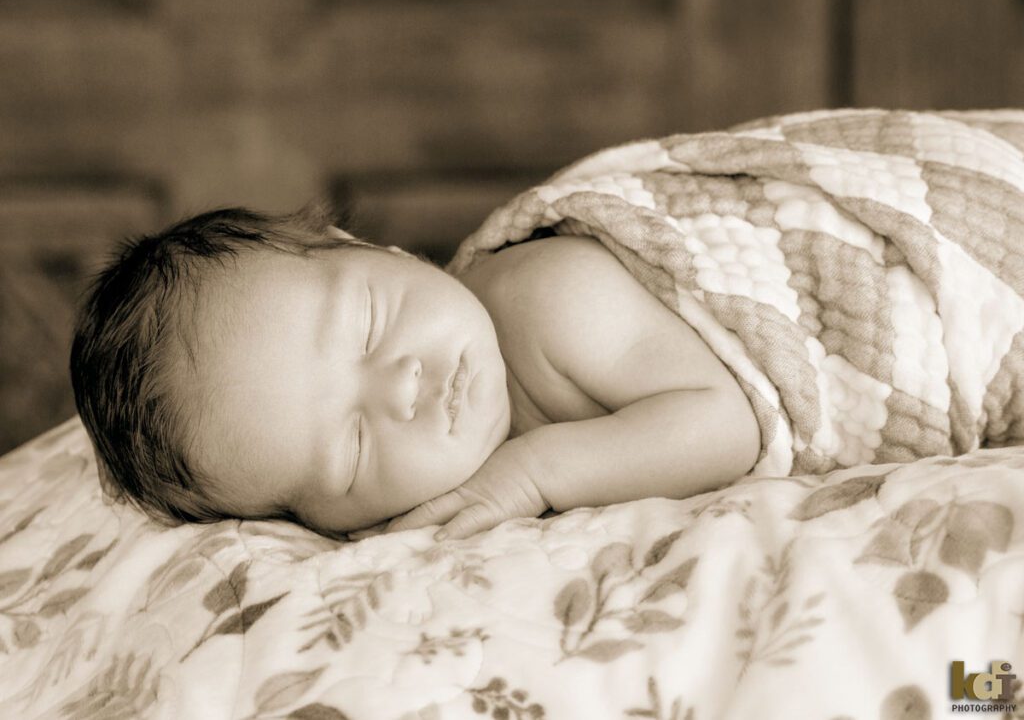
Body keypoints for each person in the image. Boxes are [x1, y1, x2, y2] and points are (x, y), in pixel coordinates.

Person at [70, 204, 760, 541]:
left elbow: (725, 422)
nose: (401, 386)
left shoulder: (551, 296)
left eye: (369, 322)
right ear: (335, 521)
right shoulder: (406, 512)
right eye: (352, 452)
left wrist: (535, 471)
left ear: (376, 248)